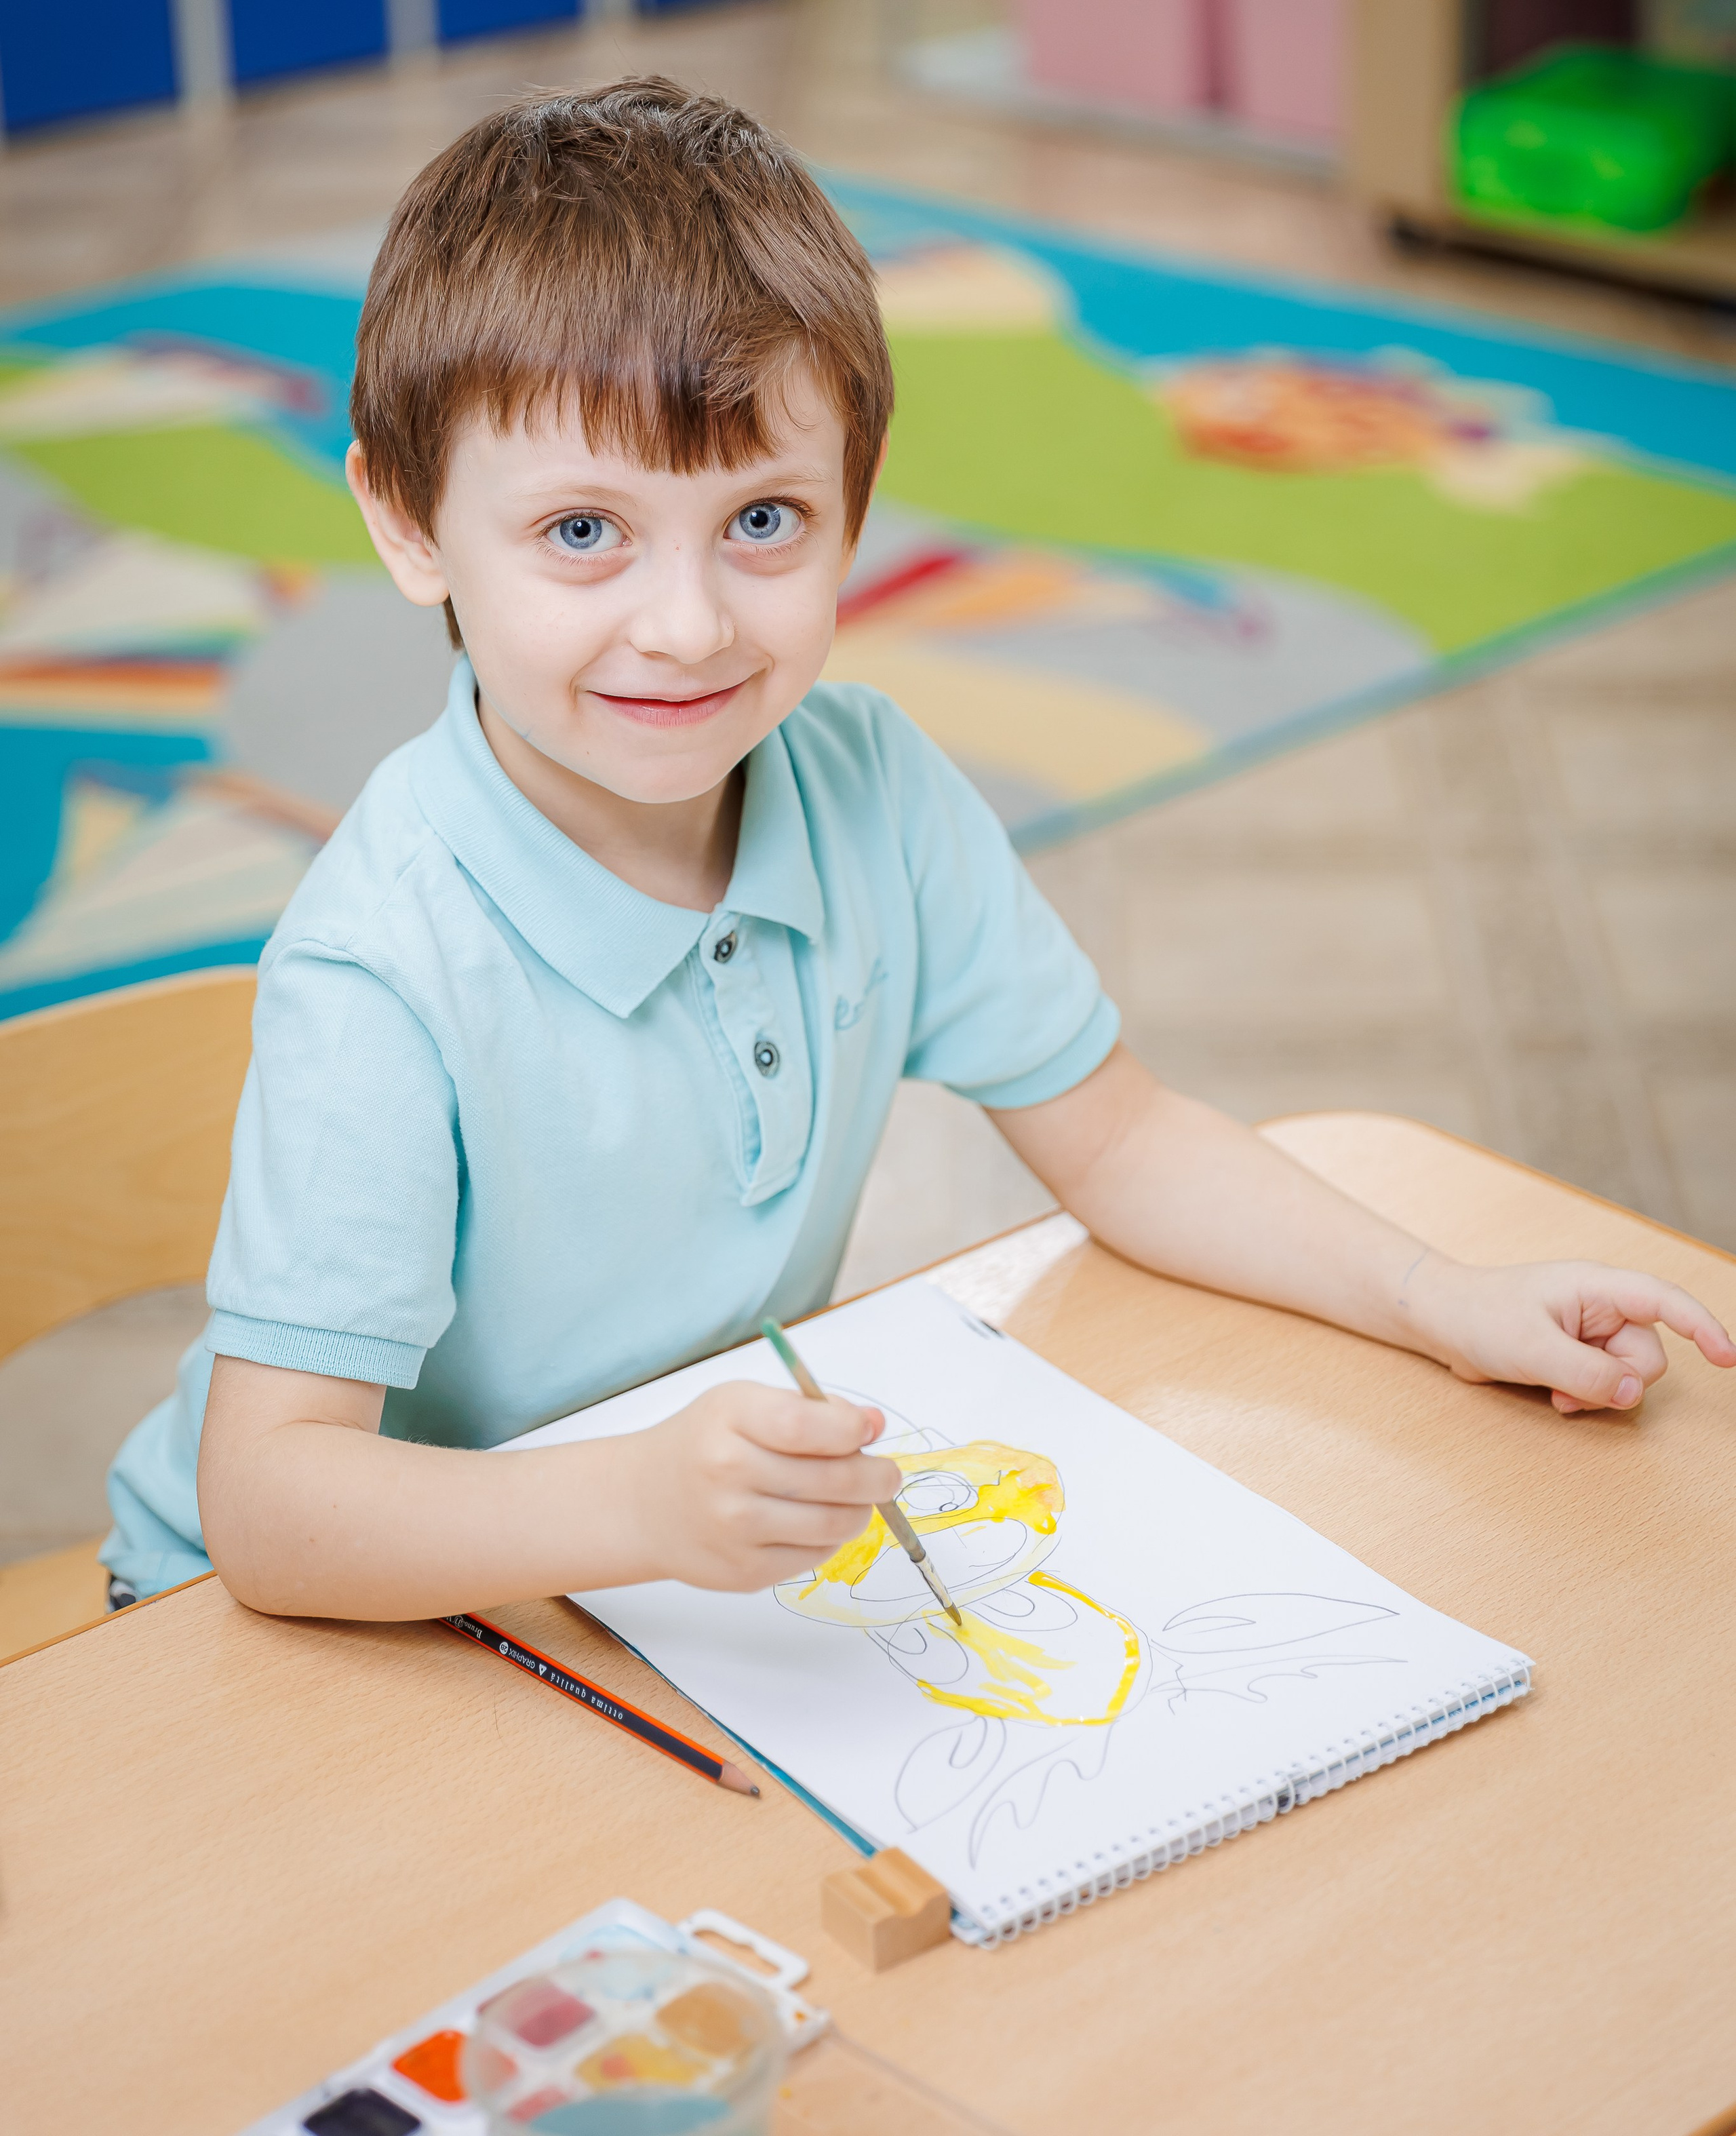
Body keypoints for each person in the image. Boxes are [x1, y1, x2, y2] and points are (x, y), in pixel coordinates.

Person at [103, 79, 1735, 1618]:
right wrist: (632, 1511)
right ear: (404, 524)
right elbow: (272, 1504)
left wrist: (1433, 1299)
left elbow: (1122, 1141)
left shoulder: (869, 783)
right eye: (581, 533)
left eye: (761, 522)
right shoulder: (387, 962)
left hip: (636, 1583)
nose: (684, 626)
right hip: (295, 1629)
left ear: (854, 511)